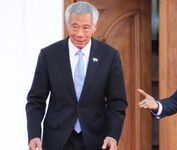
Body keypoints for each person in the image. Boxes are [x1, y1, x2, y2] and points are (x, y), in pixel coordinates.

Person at [26, 2, 127, 150]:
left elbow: (117, 102)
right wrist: (34, 134)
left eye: (85, 27)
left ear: (94, 27)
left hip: (96, 139)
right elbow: (35, 100)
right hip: (57, 138)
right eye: (75, 26)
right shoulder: (49, 55)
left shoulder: (109, 56)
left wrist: (112, 135)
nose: (80, 33)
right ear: (67, 25)